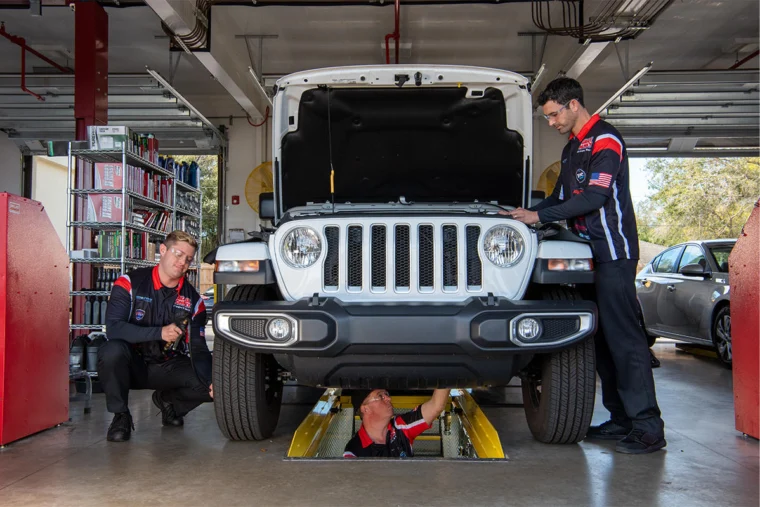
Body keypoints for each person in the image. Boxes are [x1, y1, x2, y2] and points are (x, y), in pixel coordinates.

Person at [505, 77, 666, 454]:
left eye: (553, 115)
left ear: (573, 105)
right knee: (602, 339)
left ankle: (648, 427)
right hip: (587, 254)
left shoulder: (605, 140)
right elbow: (559, 197)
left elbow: (595, 196)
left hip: (613, 252)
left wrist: (537, 218)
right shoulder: (572, 148)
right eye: (547, 117)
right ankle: (620, 418)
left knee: (625, 339)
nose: (551, 122)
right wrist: (521, 213)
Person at [97, 231, 213, 442]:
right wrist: (159, 332)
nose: (182, 262)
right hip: (131, 364)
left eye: (188, 259)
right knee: (111, 350)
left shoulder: (194, 301)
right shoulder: (129, 283)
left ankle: (170, 403)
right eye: (178, 254)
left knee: (217, 385)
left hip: (167, 366)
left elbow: (198, 348)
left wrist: (212, 379)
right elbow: (114, 329)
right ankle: (120, 415)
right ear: (162, 250)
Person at [343, 389, 450, 458]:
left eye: (387, 394)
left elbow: (436, 406)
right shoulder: (354, 451)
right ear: (365, 409)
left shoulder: (401, 426)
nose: (389, 398)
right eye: (381, 396)